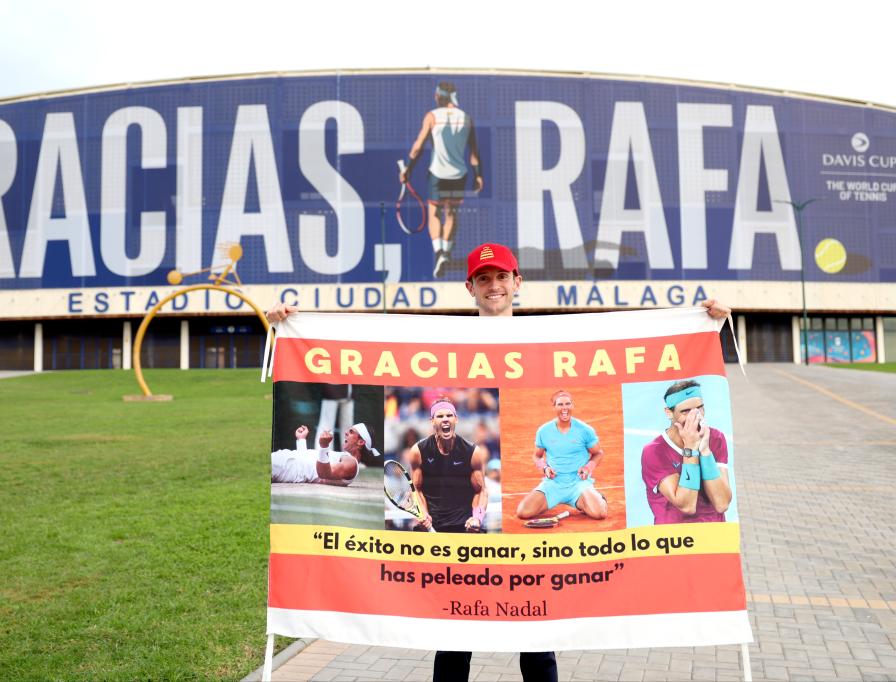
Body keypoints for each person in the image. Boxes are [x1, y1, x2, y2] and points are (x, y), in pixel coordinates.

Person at [266, 242, 732, 682]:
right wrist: (292, 325)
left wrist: (702, 322)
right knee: (452, 637)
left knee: (538, 640)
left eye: (501, 276)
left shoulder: (546, 340)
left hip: (516, 551)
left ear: (517, 281)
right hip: (465, 547)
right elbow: (365, 345)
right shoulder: (448, 342)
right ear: (469, 288)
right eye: (483, 278)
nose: (494, 285)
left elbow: (637, 341)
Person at [400, 81, 483, 278]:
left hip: (438, 175)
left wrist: (408, 169)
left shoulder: (432, 117)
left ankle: (439, 252)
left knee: (434, 213)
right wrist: (478, 175)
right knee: (452, 213)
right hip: (459, 175)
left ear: (439, 96)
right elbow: (474, 152)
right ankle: (446, 252)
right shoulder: (466, 118)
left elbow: (418, 146)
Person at [640, 379, 732, 523]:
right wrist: (690, 450)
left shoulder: (715, 438)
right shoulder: (654, 451)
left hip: (715, 535)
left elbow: (722, 503)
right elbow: (687, 505)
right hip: (676, 539)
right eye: (685, 411)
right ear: (669, 413)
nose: (695, 416)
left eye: (699, 408)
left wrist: (705, 450)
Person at [516, 390, 607, 521]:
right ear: (554, 407)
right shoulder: (543, 431)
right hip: (553, 484)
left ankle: (598, 499)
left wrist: (587, 468)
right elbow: (537, 456)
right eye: (560, 405)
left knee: (599, 514)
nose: (564, 408)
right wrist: (545, 468)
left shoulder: (585, 430)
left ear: (572, 406)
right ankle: (583, 502)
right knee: (523, 512)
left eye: (567, 404)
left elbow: (598, 453)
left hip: (578, 484)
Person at [404, 396, 488, 533]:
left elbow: (481, 490)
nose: (445, 419)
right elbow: (416, 490)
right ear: (432, 421)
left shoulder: (472, 452)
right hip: (431, 523)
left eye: (449, 415)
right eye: (440, 416)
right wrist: (423, 515)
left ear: (456, 419)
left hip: (465, 524)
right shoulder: (418, 451)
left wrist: (477, 518)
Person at [270, 423, 379, 486]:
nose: (346, 432)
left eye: (351, 432)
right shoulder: (345, 458)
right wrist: (301, 440)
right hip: (287, 463)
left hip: (286, 467)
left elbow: (323, 473)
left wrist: (324, 446)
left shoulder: (352, 463)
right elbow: (308, 466)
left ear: (360, 442)